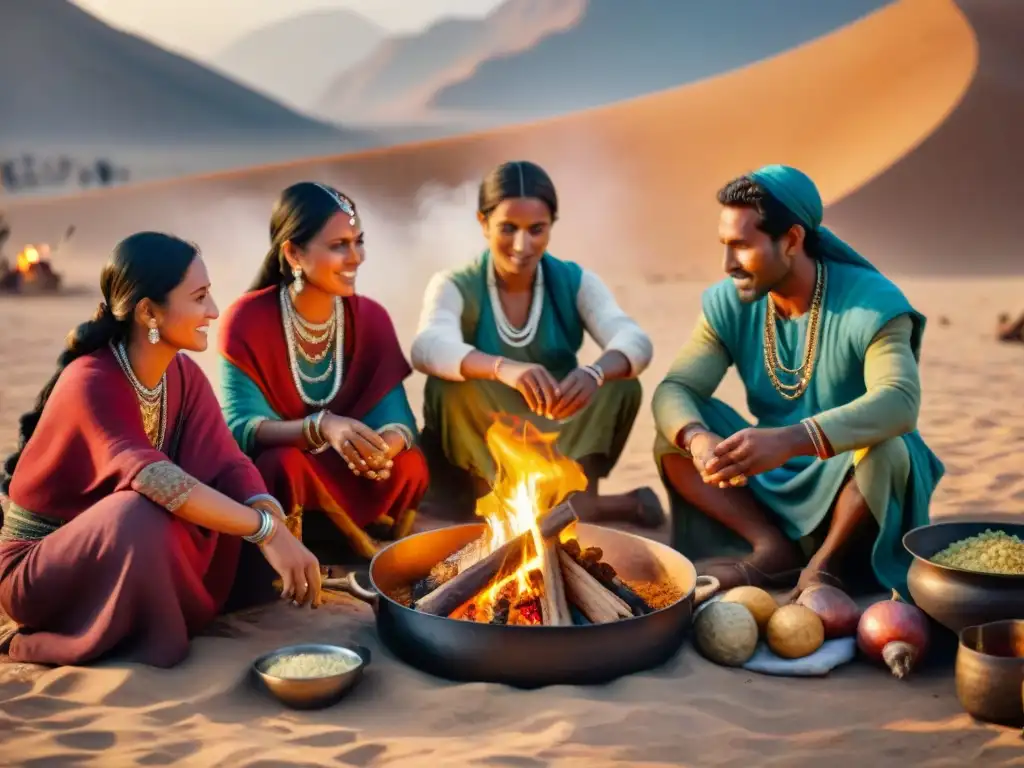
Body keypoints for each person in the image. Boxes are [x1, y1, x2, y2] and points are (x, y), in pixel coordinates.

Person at [0, 233, 321, 668]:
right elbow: (159, 482)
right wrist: (264, 530)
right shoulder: (91, 380)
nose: (213, 311)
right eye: (200, 297)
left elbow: (228, 463)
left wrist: (270, 517)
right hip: (42, 572)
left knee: (236, 512)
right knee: (143, 511)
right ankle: (44, 644)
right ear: (149, 311)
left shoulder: (182, 374)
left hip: (130, 544)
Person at [652, 165, 945, 600]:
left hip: (851, 481)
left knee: (889, 446)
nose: (727, 264)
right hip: (770, 475)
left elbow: (900, 402)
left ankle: (826, 567)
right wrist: (697, 438)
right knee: (673, 433)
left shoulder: (872, 304)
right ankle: (771, 548)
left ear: (790, 240)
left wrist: (790, 440)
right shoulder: (729, 304)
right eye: (724, 246)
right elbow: (675, 388)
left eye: (741, 247)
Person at [411, 160, 663, 527]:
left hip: (556, 425)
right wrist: (503, 369)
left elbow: (634, 341)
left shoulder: (574, 281)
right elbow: (428, 346)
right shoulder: (454, 283)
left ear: (551, 227)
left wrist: (593, 373)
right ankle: (583, 507)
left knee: (620, 382)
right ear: (483, 223)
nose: (521, 245)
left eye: (536, 230)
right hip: (485, 439)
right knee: (448, 388)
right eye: (508, 228)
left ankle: (573, 499)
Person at [219, 182, 428, 561]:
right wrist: (321, 427)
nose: (356, 257)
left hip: (354, 471)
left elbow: (397, 417)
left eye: (359, 241)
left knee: (410, 462)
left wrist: (380, 449)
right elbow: (239, 426)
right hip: (292, 479)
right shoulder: (246, 320)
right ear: (294, 253)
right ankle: (297, 546)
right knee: (281, 465)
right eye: (339, 246)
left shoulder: (371, 318)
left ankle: (360, 535)